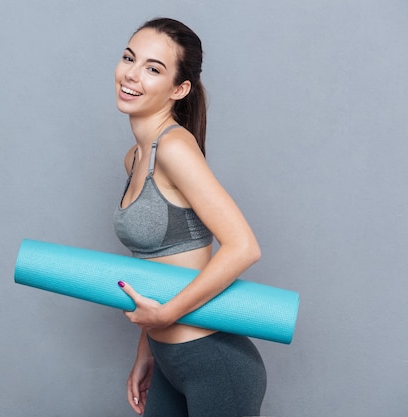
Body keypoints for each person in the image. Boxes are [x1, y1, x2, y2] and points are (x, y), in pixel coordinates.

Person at [112, 18, 267, 416]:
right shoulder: (135, 159)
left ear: (179, 90)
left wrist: (164, 315)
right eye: (130, 58)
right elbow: (160, 266)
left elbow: (243, 247)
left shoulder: (175, 148)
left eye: (153, 68)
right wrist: (147, 347)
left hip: (214, 362)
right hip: (168, 360)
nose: (131, 74)